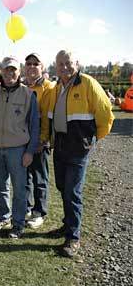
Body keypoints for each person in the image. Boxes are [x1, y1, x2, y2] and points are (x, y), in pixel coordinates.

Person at [41, 50, 114, 257]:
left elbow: (106, 113)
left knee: (73, 192)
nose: (64, 67)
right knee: (63, 187)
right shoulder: (55, 88)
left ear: (77, 63)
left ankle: (73, 237)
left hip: (78, 148)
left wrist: (92, 140)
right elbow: (48, 117)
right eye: (60, 64)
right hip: (60, 147)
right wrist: (46, 139)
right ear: (55, 66)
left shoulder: (88, 83)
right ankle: (67, 225)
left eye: (68, 63)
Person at [0, 56, 39, 239]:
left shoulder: (28, 94)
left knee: (19, 189)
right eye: (6, 69)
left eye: (13, 69)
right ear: (1, 72)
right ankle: (3, 217)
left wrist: (29, 151)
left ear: (19, 72)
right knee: (0, 187)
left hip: (18, 149)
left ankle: (18, 224)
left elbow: (34, 126)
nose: (10, 73)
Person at [23, 53, 56, 229]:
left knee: (40, 178)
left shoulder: (49, 88)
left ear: (42, 67)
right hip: (23, 141)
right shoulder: (22, 87)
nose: (32, 67)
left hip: (39, 142)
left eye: (36, 64)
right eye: (29, 64)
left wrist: (42, 140)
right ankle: (27, 207)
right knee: (25, 177)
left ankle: (39, 212)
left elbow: (47, 117)